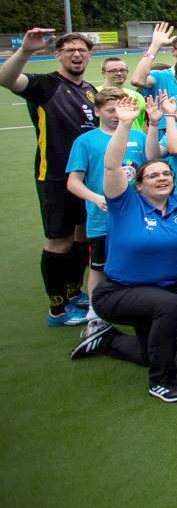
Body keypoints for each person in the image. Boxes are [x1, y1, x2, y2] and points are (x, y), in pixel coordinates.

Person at [69, 97, 177, 402]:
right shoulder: (125, 204)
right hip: (118, 293)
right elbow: (112, 165)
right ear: (138, 185)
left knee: (150, 351)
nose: (162, 177)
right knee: (170, 308)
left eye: (166, 173)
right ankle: (162, 382)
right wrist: (126, 123)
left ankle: (107, 341)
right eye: (152, 175)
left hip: (160, 290)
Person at [0, 28, 98, 325]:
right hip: (55, 177)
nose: (77, 55)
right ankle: (57, 308)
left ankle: (73, 291)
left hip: (85, 179)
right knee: (59, 241)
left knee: (82, 236)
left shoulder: (90, 90)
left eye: (82, 50)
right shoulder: (45, 85)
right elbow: (6, 79)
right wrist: (27, 50)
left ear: (89, 55)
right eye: (70, 50)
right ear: (59, 55)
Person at [65, 88, 158, 332]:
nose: (117, 115)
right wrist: (95, 198)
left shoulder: (138, 136)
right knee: (99, 266)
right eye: (110, 110)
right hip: (102, 218)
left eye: (121, 109)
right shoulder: (85, 141)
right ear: (96, 111)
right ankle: (95, 314)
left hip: (139, 215)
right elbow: (73, 181)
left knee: (142, 258)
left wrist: (154, 124)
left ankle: (142, 304)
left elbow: (153, 161)